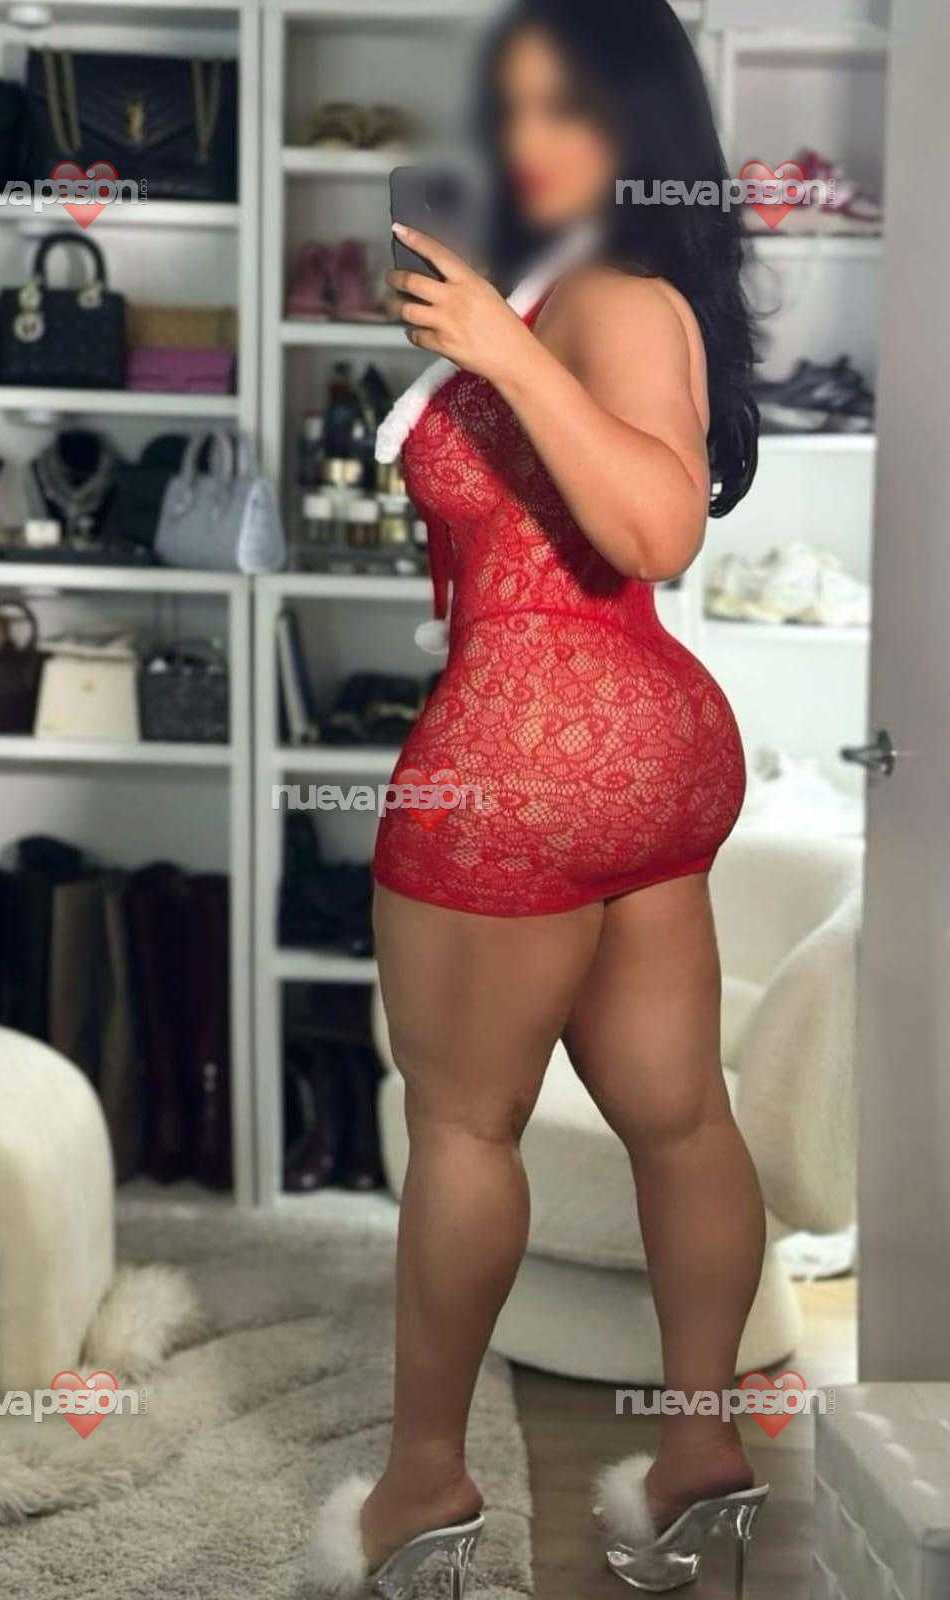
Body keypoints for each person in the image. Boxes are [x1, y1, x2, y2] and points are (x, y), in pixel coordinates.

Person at [308, 1, 768, 1594]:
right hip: (649, 763)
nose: (526, 140)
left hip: (529, 754)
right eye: (509, 107)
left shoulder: (614, 297)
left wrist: (500, 355)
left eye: (563, 106)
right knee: (680, 1118)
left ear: (641, 118)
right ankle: (699, 1455)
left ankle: (419, 1491)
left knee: (460, 1124)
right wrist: (493, 339)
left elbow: (658, 530)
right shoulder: (583, 284)